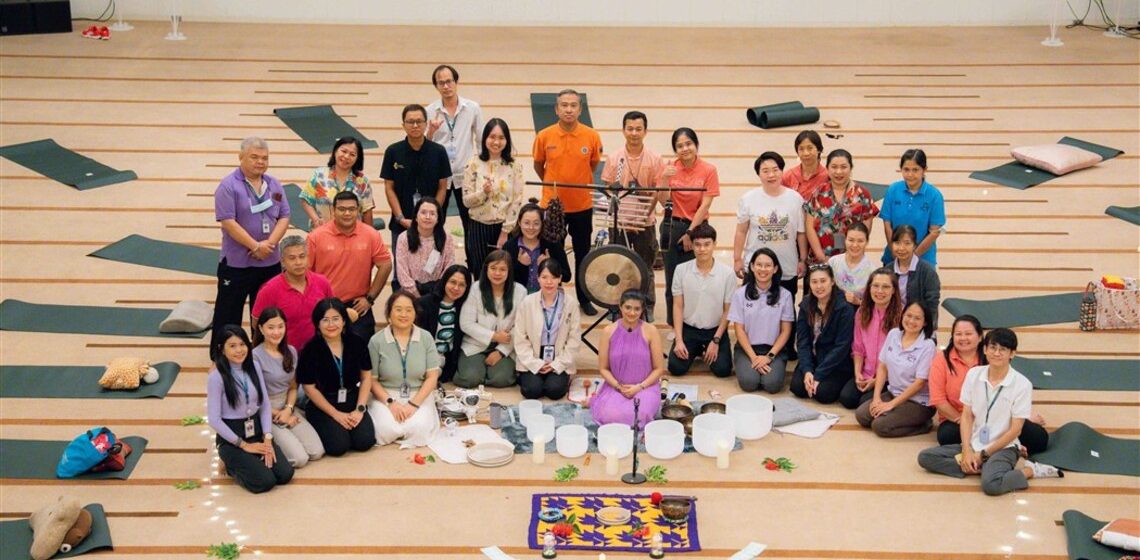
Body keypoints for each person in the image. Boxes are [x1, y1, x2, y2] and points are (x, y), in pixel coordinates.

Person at [918, 328, 1063, 496]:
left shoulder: (1022, 384)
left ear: (1012, 353)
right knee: (926, 458)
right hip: (975, 442)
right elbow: (966, 415)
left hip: (1004, 447)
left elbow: (1016, 430)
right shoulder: (974, 374)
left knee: (991, 485)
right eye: (993, 348)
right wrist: (967, 450)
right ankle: (983, 468)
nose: (997, 353)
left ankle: (1030, 470)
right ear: (985, 349)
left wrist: (983, 454)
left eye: (1003, 349)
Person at [210, 137, 291, 359]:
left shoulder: (273, 183)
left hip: (270, 262)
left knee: (266, 313)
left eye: (264, 158)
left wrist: (270, 244)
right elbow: (228, 222)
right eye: (254, 157)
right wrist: (255, 245)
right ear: (241, 157)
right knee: (228, 313)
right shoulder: (228, 186)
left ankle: (264, 354)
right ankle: (222, 357)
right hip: (237, 264)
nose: (260, 162)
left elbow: (284, 215)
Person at [929, 315, 1049, 455]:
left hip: (999, 419)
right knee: (946, 436)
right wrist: (965, 421)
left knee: (1039, 440)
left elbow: (1009, 394)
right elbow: (938, 400)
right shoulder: (941, 359)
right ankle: (1008, 447)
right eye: (958, 334)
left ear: (980, 337)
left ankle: (1008, 446)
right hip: (958, 419)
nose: (963, 338)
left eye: (968, 334)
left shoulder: (992, 356)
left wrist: (1021, 419)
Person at [532, 89, 603, 316]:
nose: (569, 109)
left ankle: (584, 298)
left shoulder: (591, 136)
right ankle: (557, 292)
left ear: (580, 109)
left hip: (582, 205)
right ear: (556, 109)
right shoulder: (544, 135)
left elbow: (592, 165)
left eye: (573, 105)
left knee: (583, 252)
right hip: (552, 206)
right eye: (564, 105)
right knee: (554, 250)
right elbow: (538, 166)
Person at [207, 325, 294, 493]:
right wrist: (243, 445)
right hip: (233, 438)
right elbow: (214, 419)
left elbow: (265, 404)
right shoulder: (216, 377)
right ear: (222, 350)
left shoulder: (253, 365)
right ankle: (230, 465)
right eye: (232, 346)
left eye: (242, 344)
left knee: (284, 475)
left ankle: (250, 460)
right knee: (265, 482)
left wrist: (267, 438)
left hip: (256, 430)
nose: (239, 350)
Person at [600, 111, 666, 321]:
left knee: (645, 267)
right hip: (619, 223)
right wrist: (623, 218)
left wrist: (641, 219)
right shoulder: (614, 157)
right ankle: (617, 307)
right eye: (630, 128)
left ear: (645, 131)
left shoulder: (655, 159)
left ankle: (647, 307)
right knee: (617, 265)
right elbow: (608, 188)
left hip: (645, 222)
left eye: (638, 129)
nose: (634, 133)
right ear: (623, 130)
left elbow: (657, 192)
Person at [381, 103, 452, 287]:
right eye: (410, 121)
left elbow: (443, 187)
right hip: (402, 224)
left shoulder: (438, 152)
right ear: (403, 124)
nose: (415, 125)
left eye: (419, 121)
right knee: (401, 274)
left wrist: (432, 215)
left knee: (433, 270)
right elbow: (389, 187)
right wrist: (400, 217)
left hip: (432, 225)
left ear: (426, 123)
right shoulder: (393, 151)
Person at [307, 191, 393, 341]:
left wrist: (370, 298)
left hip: (358, 306)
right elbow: (306, 274)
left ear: (358, 210)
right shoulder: (316, 236)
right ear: (333, 210)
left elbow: (385, 265)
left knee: (362, 357)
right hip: (326, 305)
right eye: (342, 209)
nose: (347, 213)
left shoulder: (371, 235)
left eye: (352, 209)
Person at [296, 299, 377, 456]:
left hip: (352, 398)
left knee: (364, 441)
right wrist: (335, 414)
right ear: (317, 323)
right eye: (325, 320)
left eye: (336, 319)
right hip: (324, 402)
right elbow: (309, 387)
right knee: (338, 446)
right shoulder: (310, 348)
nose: (331, 325)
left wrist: (360, 409)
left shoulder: (357, 342)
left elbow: (366, 377)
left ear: (344, 321)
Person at [658, 127, 719, 326]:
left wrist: (690, 233)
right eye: (679, 146)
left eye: (688, 144)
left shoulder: (709, 170)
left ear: (696, 145)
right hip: (671, 226)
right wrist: (665, 179)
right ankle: (674, 324)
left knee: (698, 280)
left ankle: (695, 324)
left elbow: (705, 204)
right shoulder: (669, 167)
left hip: (698, 229)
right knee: (673, 280)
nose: (684, 149)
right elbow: (663, 202)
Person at [251, 307, 324, 468]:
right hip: (265, 411)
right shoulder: (254, 356)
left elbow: (292, 387)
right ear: (261, 329)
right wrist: (279, 414)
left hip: (286, 406)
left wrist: (289, 410)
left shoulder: (290, 351)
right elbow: (254, 399)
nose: (276, 332)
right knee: (300, 459)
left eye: (280, 326)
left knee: (317, 452)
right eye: (271, 327)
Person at [367, 291, 442, 447]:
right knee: (384, 430)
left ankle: (407, 429)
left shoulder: (426, 337)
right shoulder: (376, 340)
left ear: (415, 313)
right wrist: (391, 403)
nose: (404, 314)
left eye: (409, 310)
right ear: (389, 313)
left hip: (418, 393)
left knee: (419, 429)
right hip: (386, 395)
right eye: (398, 309)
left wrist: (413, 405)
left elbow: (432, 377)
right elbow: (372, 380)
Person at [856, 302, 937, 437]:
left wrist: (891, 405)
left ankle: (924, 425)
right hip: (893, 392)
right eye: (908, 315)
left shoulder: (928, 346)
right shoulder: (894, 334)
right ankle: (895, 413)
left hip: (917, 401)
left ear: (925, 323)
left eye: (917, 318)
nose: (911, 321)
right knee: (862, 416)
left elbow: (920, 383)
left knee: (880, 426)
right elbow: (882, 366)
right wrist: (876, 398)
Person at [734, 151, 806, 298]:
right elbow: (741, 231)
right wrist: (737, 259)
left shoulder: (795, 199)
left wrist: (802, 260)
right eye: (765, 171)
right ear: (759, 174)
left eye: (775, 170)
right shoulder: (748, 199)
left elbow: (801, 233)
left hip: (786, 267)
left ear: (782, 171)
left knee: (785, 314)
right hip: (755, 267)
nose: (771, 175)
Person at [667, 223, 735, 378]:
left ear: (714, 245)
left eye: (707, 244)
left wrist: (716, 340)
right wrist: (679, 340)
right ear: (692, 245)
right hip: (689, 329)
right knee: (675, 368)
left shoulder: (727, 274)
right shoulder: (681, 270)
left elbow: (728, 311)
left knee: (723, 370)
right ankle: (696, 349)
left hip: (715, 331)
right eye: (697, 245)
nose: (702, 249)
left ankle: (705, 348)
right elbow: (677, 306)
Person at [591, 290, 665, 427]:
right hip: (616, 387)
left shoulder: (651, 331)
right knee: (609, 415)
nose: (632, 313)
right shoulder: (608, 331)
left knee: (639, 414)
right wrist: (619, 387)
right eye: (628, 307)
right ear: (620, 306)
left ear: (642, 310)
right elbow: (603, 368)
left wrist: (639, 387)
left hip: (645, 387)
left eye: (637, 309)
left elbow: (659, 368)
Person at [425, 64, 484, 238]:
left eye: (449, 81)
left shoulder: (472, 108)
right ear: (436, 86)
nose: (446, 86)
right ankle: (435, 263)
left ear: (456, 82)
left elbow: (481, 140)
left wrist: (479, 171)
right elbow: (424, 145)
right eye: (441, 83)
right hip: (439, 176)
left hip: (465, 176)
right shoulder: (430, 111)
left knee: (470, 225)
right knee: (435, 223)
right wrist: (431, 132)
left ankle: (473, 263)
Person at [455, 250, 527, 388]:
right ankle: (479, 373)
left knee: (502, 379)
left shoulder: (520, 292)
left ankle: (486, 373)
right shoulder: (475, 289)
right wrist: (494, 336)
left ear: (509, 271)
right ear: (486, 269)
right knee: (470, 378)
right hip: (475, 344)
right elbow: (466, 323)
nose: (497, 273)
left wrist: (501, 351)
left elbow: (520, 327)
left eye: (502, 269)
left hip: (505, 345)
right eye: (493, 268)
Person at [462, 117, 524, 275]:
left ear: (507, 140)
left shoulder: (514, 166)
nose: (496, 142)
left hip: (504, 227)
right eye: (492, 137)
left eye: (501, 138)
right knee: (481, 272)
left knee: (503, 272)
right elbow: (466, 201)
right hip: (478, 227)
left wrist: (505, 232)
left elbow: (516, 202)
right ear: (485, 139)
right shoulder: (473, 163)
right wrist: (483, 193)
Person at [513, 260, 582, 400]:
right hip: (532, 357)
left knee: (555, 391)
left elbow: (574, 339)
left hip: (558, 358)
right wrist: (535, 363)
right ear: (538, 278)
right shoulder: (527, 302)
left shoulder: (571, 303)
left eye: (553, 277)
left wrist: (557, 364)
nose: (549, 282)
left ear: (560, 279)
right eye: (544, 277)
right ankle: (530, 377)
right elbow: (520, 337)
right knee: (531, 391)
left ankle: (552, 378)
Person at [251, 235, 334, 351]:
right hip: (284, 355)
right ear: (283, 261)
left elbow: (333, 313)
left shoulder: (322, 282)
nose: (298, 262)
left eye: (302, 256)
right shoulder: (269, 290)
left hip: (319, 353)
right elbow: (257, 323)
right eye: (292, 258)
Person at [728, 248, 794, 394]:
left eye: (768, 265)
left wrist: (769, 357)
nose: (763, 269)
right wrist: (754, 357)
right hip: (747, 349)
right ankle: (746, 364)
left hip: (773, 350)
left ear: (775, 268)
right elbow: (739, 330)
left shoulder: (785, 295)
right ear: (751, 267)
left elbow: (786, 331)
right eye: (759, 265)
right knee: (749, 383)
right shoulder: (740, 294)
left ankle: (771, 366)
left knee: (772, 385)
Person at [790, 264, 855, 404]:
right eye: (814, 282)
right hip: (813, 357)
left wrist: (818, 375)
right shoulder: (806, 305)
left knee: (823, 394)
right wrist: (807, 370)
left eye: (823, 281)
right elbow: (803, 341)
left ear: (832, 281)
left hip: (836, 363)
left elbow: (842, 347)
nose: (819, 286)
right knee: (797, 388)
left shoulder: (845, 308)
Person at [840, 268, 902, 410]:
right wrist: (857, 373)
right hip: (866, 372)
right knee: (847, 399)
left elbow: (899, 358)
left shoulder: (902, 315)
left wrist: (877, 381)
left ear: (894, 290)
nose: (879, 291)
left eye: (886, 287)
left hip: (889, 377)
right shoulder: (863, 312)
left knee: (864, 403)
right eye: (875, 286)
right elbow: (858, 348)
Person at [804, 149, 879, 266]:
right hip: (820, 261)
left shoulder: (863, 194)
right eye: (834, 167)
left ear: (851, 168)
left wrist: (850, 257)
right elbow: (809, 226)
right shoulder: (818, 192)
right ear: (827, 169)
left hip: (851, 261)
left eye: (844, 167)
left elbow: (865, 230)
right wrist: (821, 257)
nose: (839, 172)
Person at [880, 149, 945, 266]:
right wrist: (895, 252)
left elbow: (934, 232)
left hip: (923, 260)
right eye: (906, 169)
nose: (910, 175)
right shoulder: (893, 190)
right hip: (892, 258)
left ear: (924, 170)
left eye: (915, 170)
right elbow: (887, 224)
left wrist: (911, 257)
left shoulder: (935, 196)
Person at [299, 136, 374, 228]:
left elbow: (367, 211)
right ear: (335, 151)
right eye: (343, 151)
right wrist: (316, 220)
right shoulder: (319, 175)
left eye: (352, 154)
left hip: (352, 236)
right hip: (322, 234)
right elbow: (305, 200)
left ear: (357, 158)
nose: (346, 156)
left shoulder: (362, 181)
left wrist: (369, 236)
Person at [415, 264, 472, 384]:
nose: (456, 288)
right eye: (453, 282)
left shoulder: (465, 308)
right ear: (444, 281)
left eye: (462, 285)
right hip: (421, 356)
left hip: (444, 360)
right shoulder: (424, 304)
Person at [502, 200, 571, 293]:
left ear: (542, 224)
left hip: (546, 296)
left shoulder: (553, 245)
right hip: (518, 297)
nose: (531, 228)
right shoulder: (510, 246)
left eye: (536, 223)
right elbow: (503, 278)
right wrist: (520, 265)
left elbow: (567, 276)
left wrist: (549, 265)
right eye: (526, 223)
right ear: (519, 222)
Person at [394, 197, 455, 297]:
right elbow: (402, 273)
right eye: (423, 212)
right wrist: (417, 296)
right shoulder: (403, 238)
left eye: (432, 213)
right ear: (416, 217)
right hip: (410, 295)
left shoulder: (447, 239)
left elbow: (448, 269)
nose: (427, 217)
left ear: (438, 219)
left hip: (437, 294)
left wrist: (433, 296)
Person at [888, 224, 941, 330]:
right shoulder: (887, 271)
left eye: (907, 243)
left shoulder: (927, 272)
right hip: (891, 326)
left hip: (917, 326)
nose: (901, 248)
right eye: (897, 243)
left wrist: (929, 331)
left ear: (915, 245)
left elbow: (932, 305)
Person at [827, 222, 877, 306]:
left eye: (860, 241)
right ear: (845, 240)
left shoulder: (872, 270)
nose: (855, 245)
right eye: (851, 240)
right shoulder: (833, 262)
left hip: (858, 313)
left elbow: (874, 304)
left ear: (867, 242)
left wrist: (857, 302)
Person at [782, 130, 828, 200]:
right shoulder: (788, 176)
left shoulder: (828, 177)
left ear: (819, 149)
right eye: (801, 149)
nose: (806, 153)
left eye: (810, 148)